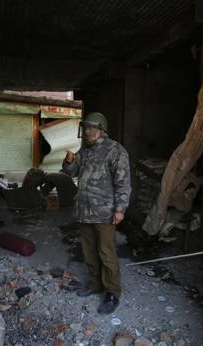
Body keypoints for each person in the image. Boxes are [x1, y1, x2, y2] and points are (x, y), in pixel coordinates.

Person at [62, 112, 131, 314]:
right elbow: (71, 173)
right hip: (84, 211)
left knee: (106, 253)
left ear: (102, 129)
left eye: (92, 127)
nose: (87, 131)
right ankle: (95, 285)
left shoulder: (115, 150)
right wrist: (69, 162)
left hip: (104, 212)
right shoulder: (86, 150)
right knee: (89, 251)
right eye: (85, 128)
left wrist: (120, 209)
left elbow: (124, 182)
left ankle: (112, 293)